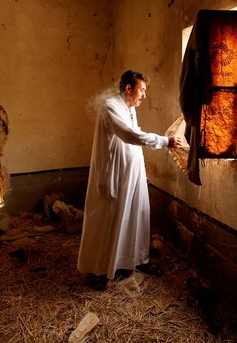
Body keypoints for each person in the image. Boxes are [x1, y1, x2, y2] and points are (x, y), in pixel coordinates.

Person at [77, 70, 183, 290]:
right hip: (114, 174)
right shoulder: (110, 107)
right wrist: (165, 141)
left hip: (132, 173)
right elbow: (128, 135)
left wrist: (142, 168)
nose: (144, 95)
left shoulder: (131, 109)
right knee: (109, 221)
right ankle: (99, 269)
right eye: (141, 90)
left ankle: (136, 260)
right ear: (128, 88)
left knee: (138, 216)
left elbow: (135, 136)